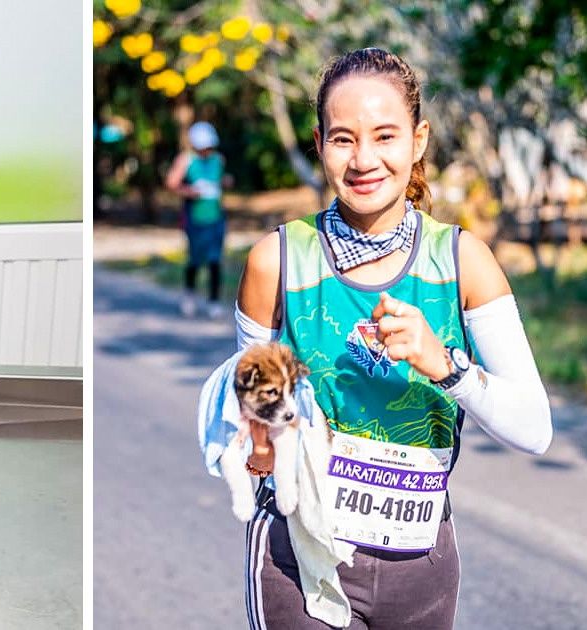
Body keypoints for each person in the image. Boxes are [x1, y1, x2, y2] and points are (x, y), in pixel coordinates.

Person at [229, 48, 554, 629]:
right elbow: (248, 420)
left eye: (385, 136)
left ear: (418, 140)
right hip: (299, 558)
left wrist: (445, 364)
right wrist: (258, 445)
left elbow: (534, 429)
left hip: (421, 565)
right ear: (319, 143)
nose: (364, 160)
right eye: (343, 139)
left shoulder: (463, 262)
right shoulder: (276, 262)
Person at [166, 121, 228, 319]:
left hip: (216, 217)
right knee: (194, 259)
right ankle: (189, 295)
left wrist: (226, 182)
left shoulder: (218, 160)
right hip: (195, 219)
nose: (206, 150)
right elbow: (171, 183)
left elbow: (220, 181)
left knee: (215, 260)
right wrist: (189, 192)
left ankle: (214, 301)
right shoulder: (186, 160)